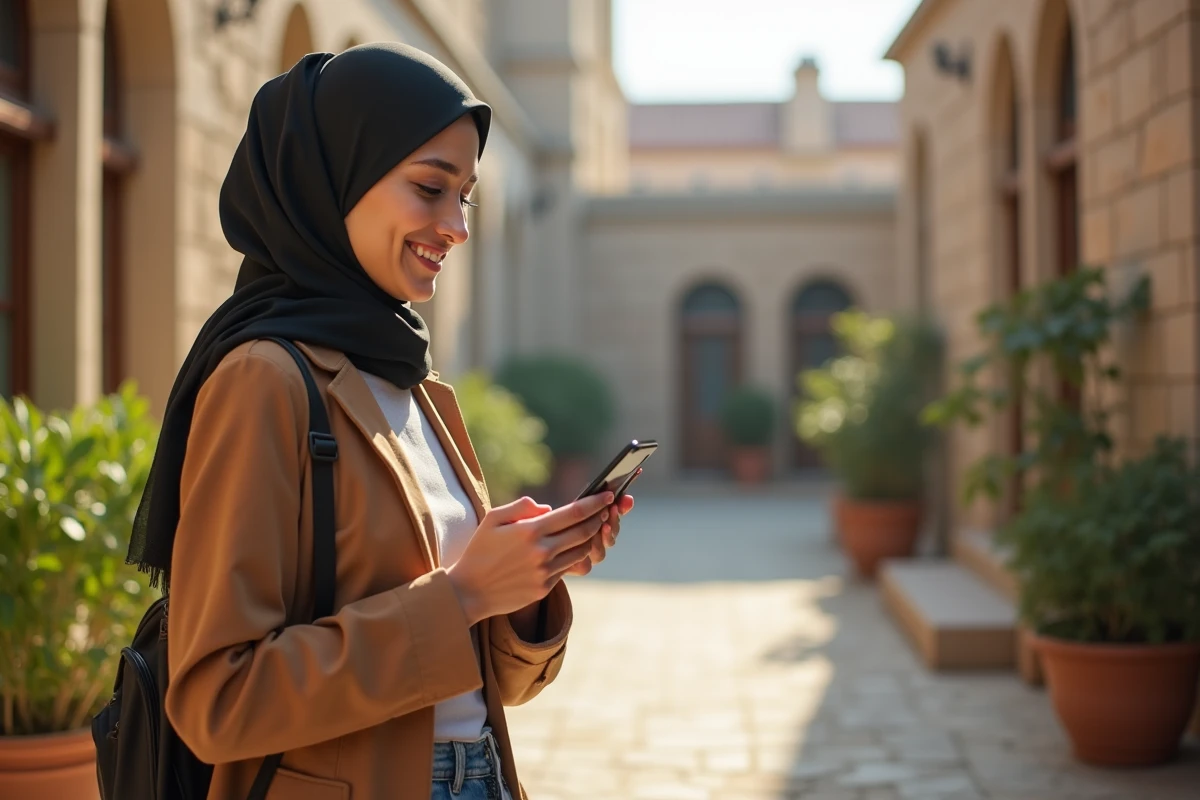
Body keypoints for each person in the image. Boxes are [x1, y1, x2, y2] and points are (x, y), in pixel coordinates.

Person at [126, 43, 633, 800]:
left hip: (480, 776)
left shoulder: (415, 383)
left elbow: (468, 678)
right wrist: (459, 596)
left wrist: (520, 587)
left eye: (464, 196)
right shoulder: (263, 378)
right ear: (336, 181)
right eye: (430, 188)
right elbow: (217, 702)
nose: (455, 226)